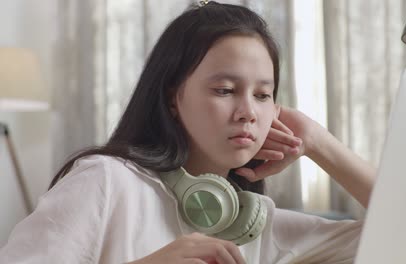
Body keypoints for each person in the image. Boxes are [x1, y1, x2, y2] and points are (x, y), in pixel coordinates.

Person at [0, 1, 375, 263]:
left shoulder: (253, 223)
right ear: (173, 98)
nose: (248, 112)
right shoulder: (105, 181)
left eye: (263, 95)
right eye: (225, 90)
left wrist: (317, 142)